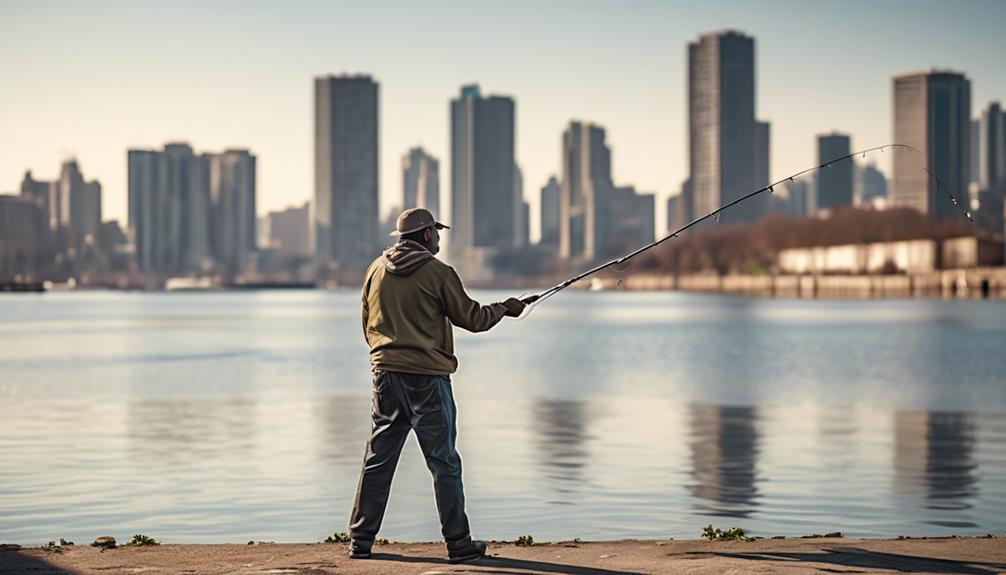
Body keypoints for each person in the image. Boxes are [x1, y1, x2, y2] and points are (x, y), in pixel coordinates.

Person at [348, 207, 525, 563]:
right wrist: (505, 308)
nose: (440, 238)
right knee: (444, 462)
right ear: (427, 234)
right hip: (427, 379)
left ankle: (360, 541)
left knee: (378, 459)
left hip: (385, 376)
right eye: (437, 232)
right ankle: (459, 545)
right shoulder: (438, 271)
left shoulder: (375, 269)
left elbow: (366, 321)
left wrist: (387, 355)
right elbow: (473, 319)